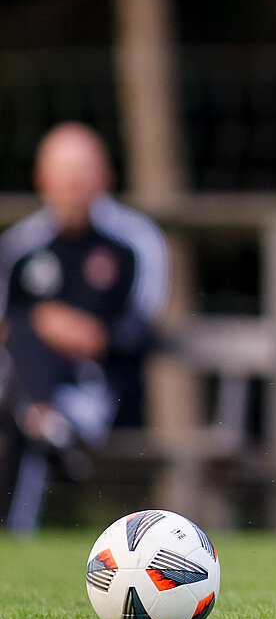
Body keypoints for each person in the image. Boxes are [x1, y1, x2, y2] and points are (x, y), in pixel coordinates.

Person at [0, 123, 169, 534]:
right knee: (23, 348)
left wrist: (77, 332)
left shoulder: (133, 243)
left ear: (105, 177)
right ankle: (45, 420)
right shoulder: (22, 247)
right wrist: (43, 326)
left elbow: (138, 329)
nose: (73, 183)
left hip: (104, 390)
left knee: (20, 394)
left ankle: (43, 424)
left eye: (82, 170)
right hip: (26, 381)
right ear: (42, 179)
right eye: (63, 171)